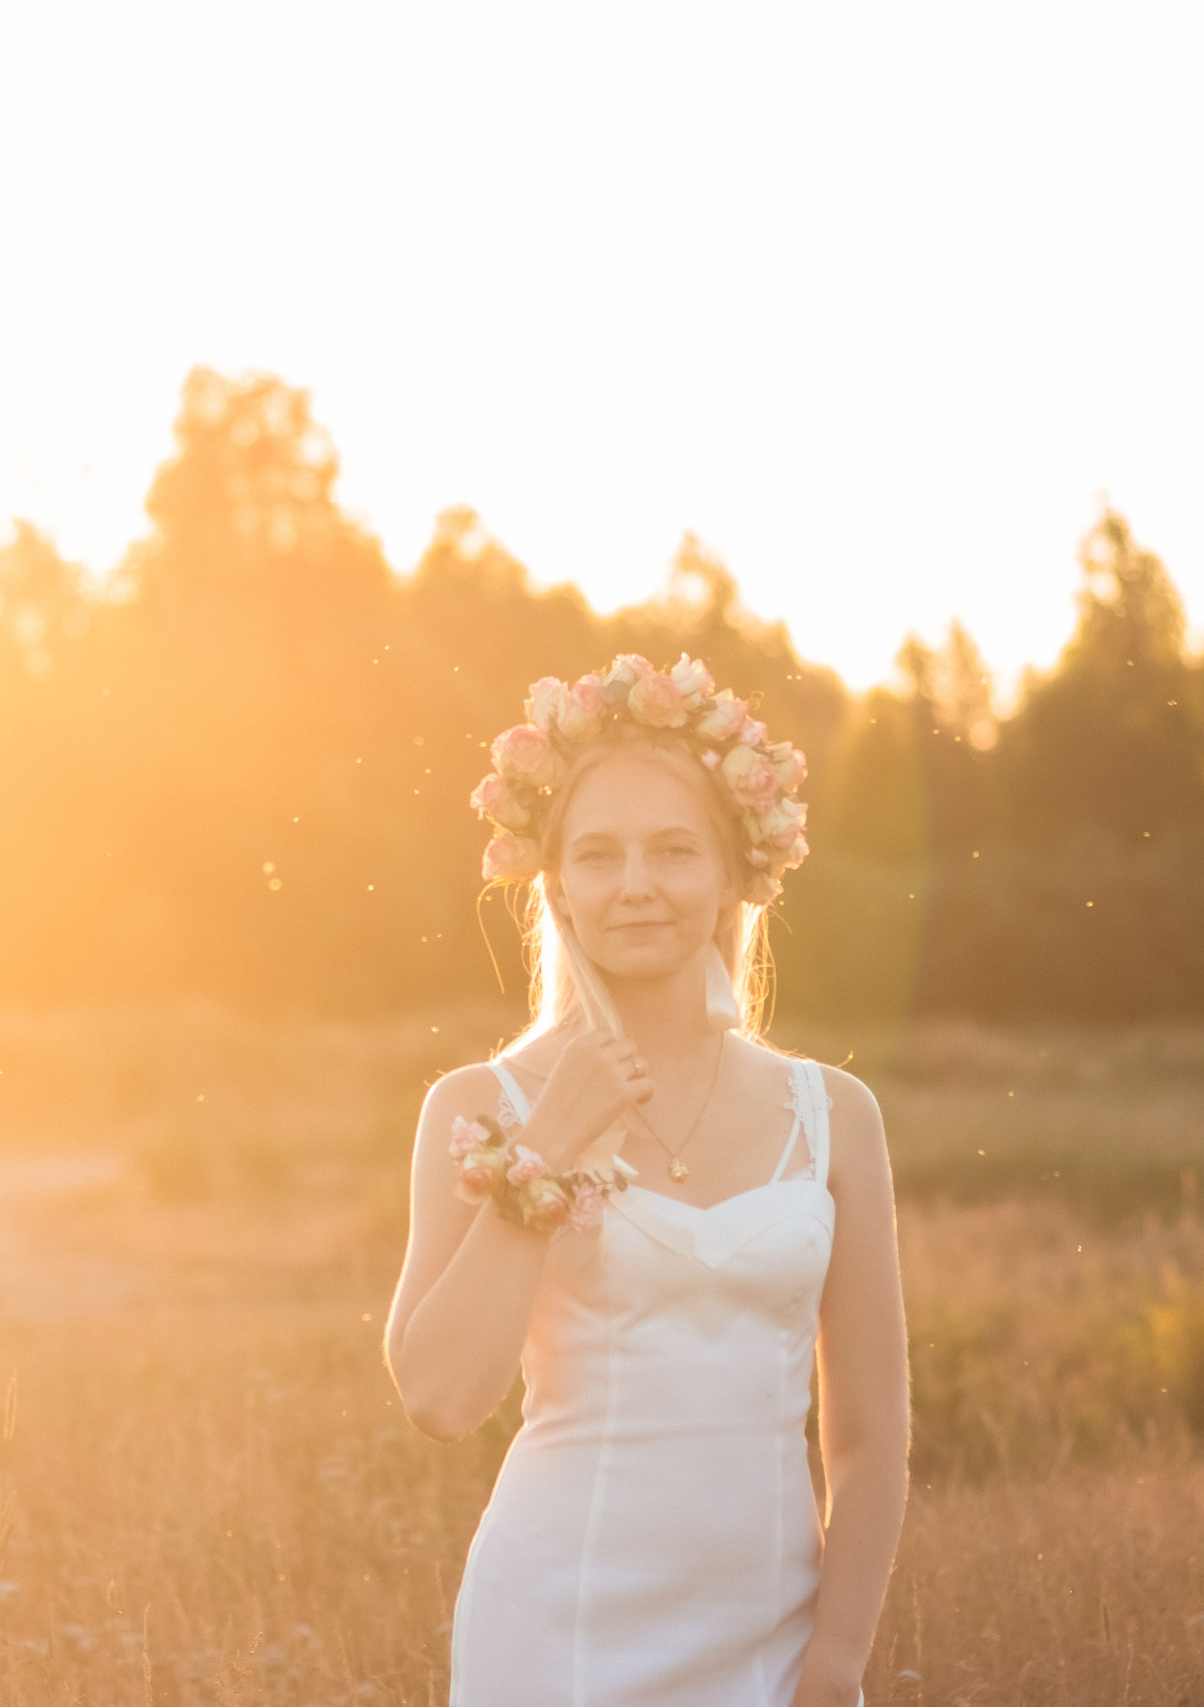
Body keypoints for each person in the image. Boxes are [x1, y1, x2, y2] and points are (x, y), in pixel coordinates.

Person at [384, 655, 909, 1707]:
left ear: (733, 873)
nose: (635, 884)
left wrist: (836, 1659)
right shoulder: (477, 1107)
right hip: (556, 1634)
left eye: (673, 850)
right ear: (557, 887)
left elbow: (869, 1433)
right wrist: (545, 1151)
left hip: (773, 1639)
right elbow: (440, 1397)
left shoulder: (833, 1116)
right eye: (598, 854)